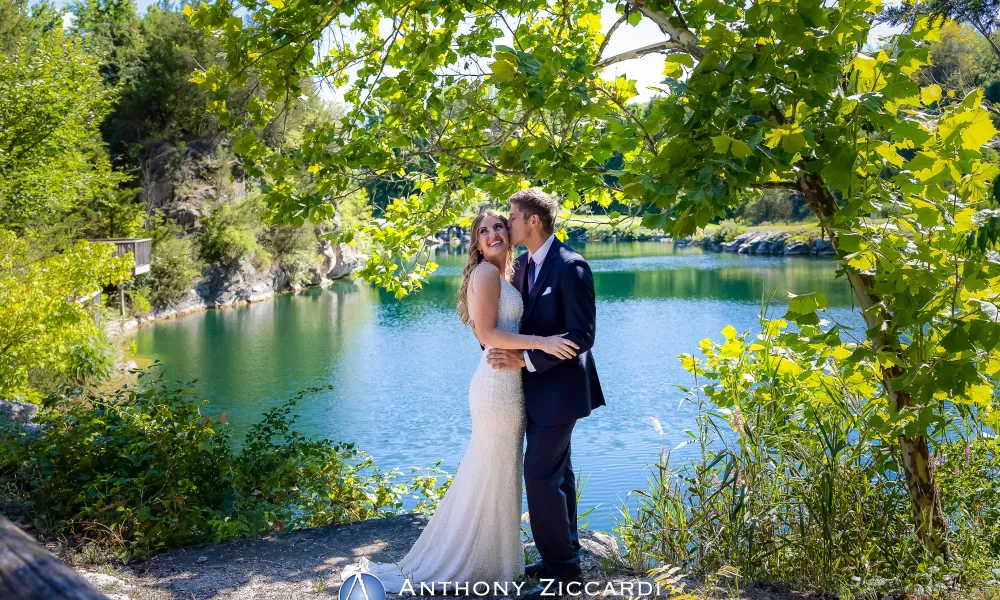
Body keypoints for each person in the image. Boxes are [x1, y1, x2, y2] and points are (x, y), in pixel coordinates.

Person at [340, 209, 578, 594]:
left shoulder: (508, 275)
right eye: (483, 231)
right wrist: (542, 343)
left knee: (498, 470)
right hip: (497, 389)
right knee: (493, 468)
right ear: (476, 242)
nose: (492, 234)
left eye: (499, 226)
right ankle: (479, 561)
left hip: (511, 383)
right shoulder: (486, 273)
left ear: (510, 231)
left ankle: (499, 559)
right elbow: (487, 332)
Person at [487, 188, 605, 600]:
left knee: (538, 474)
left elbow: (582, 335)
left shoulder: (570, 266)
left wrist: (527, 362)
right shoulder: (521, 267)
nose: (508, 224)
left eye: (513, 217)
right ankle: (563, 558)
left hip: (561, 392)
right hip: (530, 393)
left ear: (533, 221)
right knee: (558, 474)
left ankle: (564, 573)